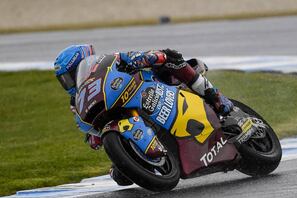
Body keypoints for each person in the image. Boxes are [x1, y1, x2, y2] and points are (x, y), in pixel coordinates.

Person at [54, 44, 234, 185]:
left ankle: (217, 98)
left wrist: (146, 58)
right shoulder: (78, 100)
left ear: (83, 63)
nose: (68, 83)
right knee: (120, 177)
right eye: (64, 80)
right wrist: (96, 137)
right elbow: (93, 133)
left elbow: (134, 57)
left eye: (69, 76)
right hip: (126, 117)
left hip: (153, 87)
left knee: (170, 57)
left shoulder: (108, 63)